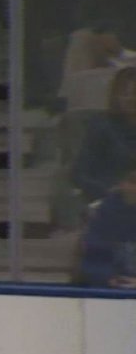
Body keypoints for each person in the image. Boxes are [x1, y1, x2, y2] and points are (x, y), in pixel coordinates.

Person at [72, 67, 136, 204]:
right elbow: (80, 173)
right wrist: (109, 191)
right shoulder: (102, 125)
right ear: (116, 95)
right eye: (125, 94)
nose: (130, 99)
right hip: (111, 199)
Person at [79, 159, 136, 288]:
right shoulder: (104, 214)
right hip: (110, 290)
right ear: (121, 183)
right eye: (133, 182)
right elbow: (92, 258)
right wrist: (108, 279)